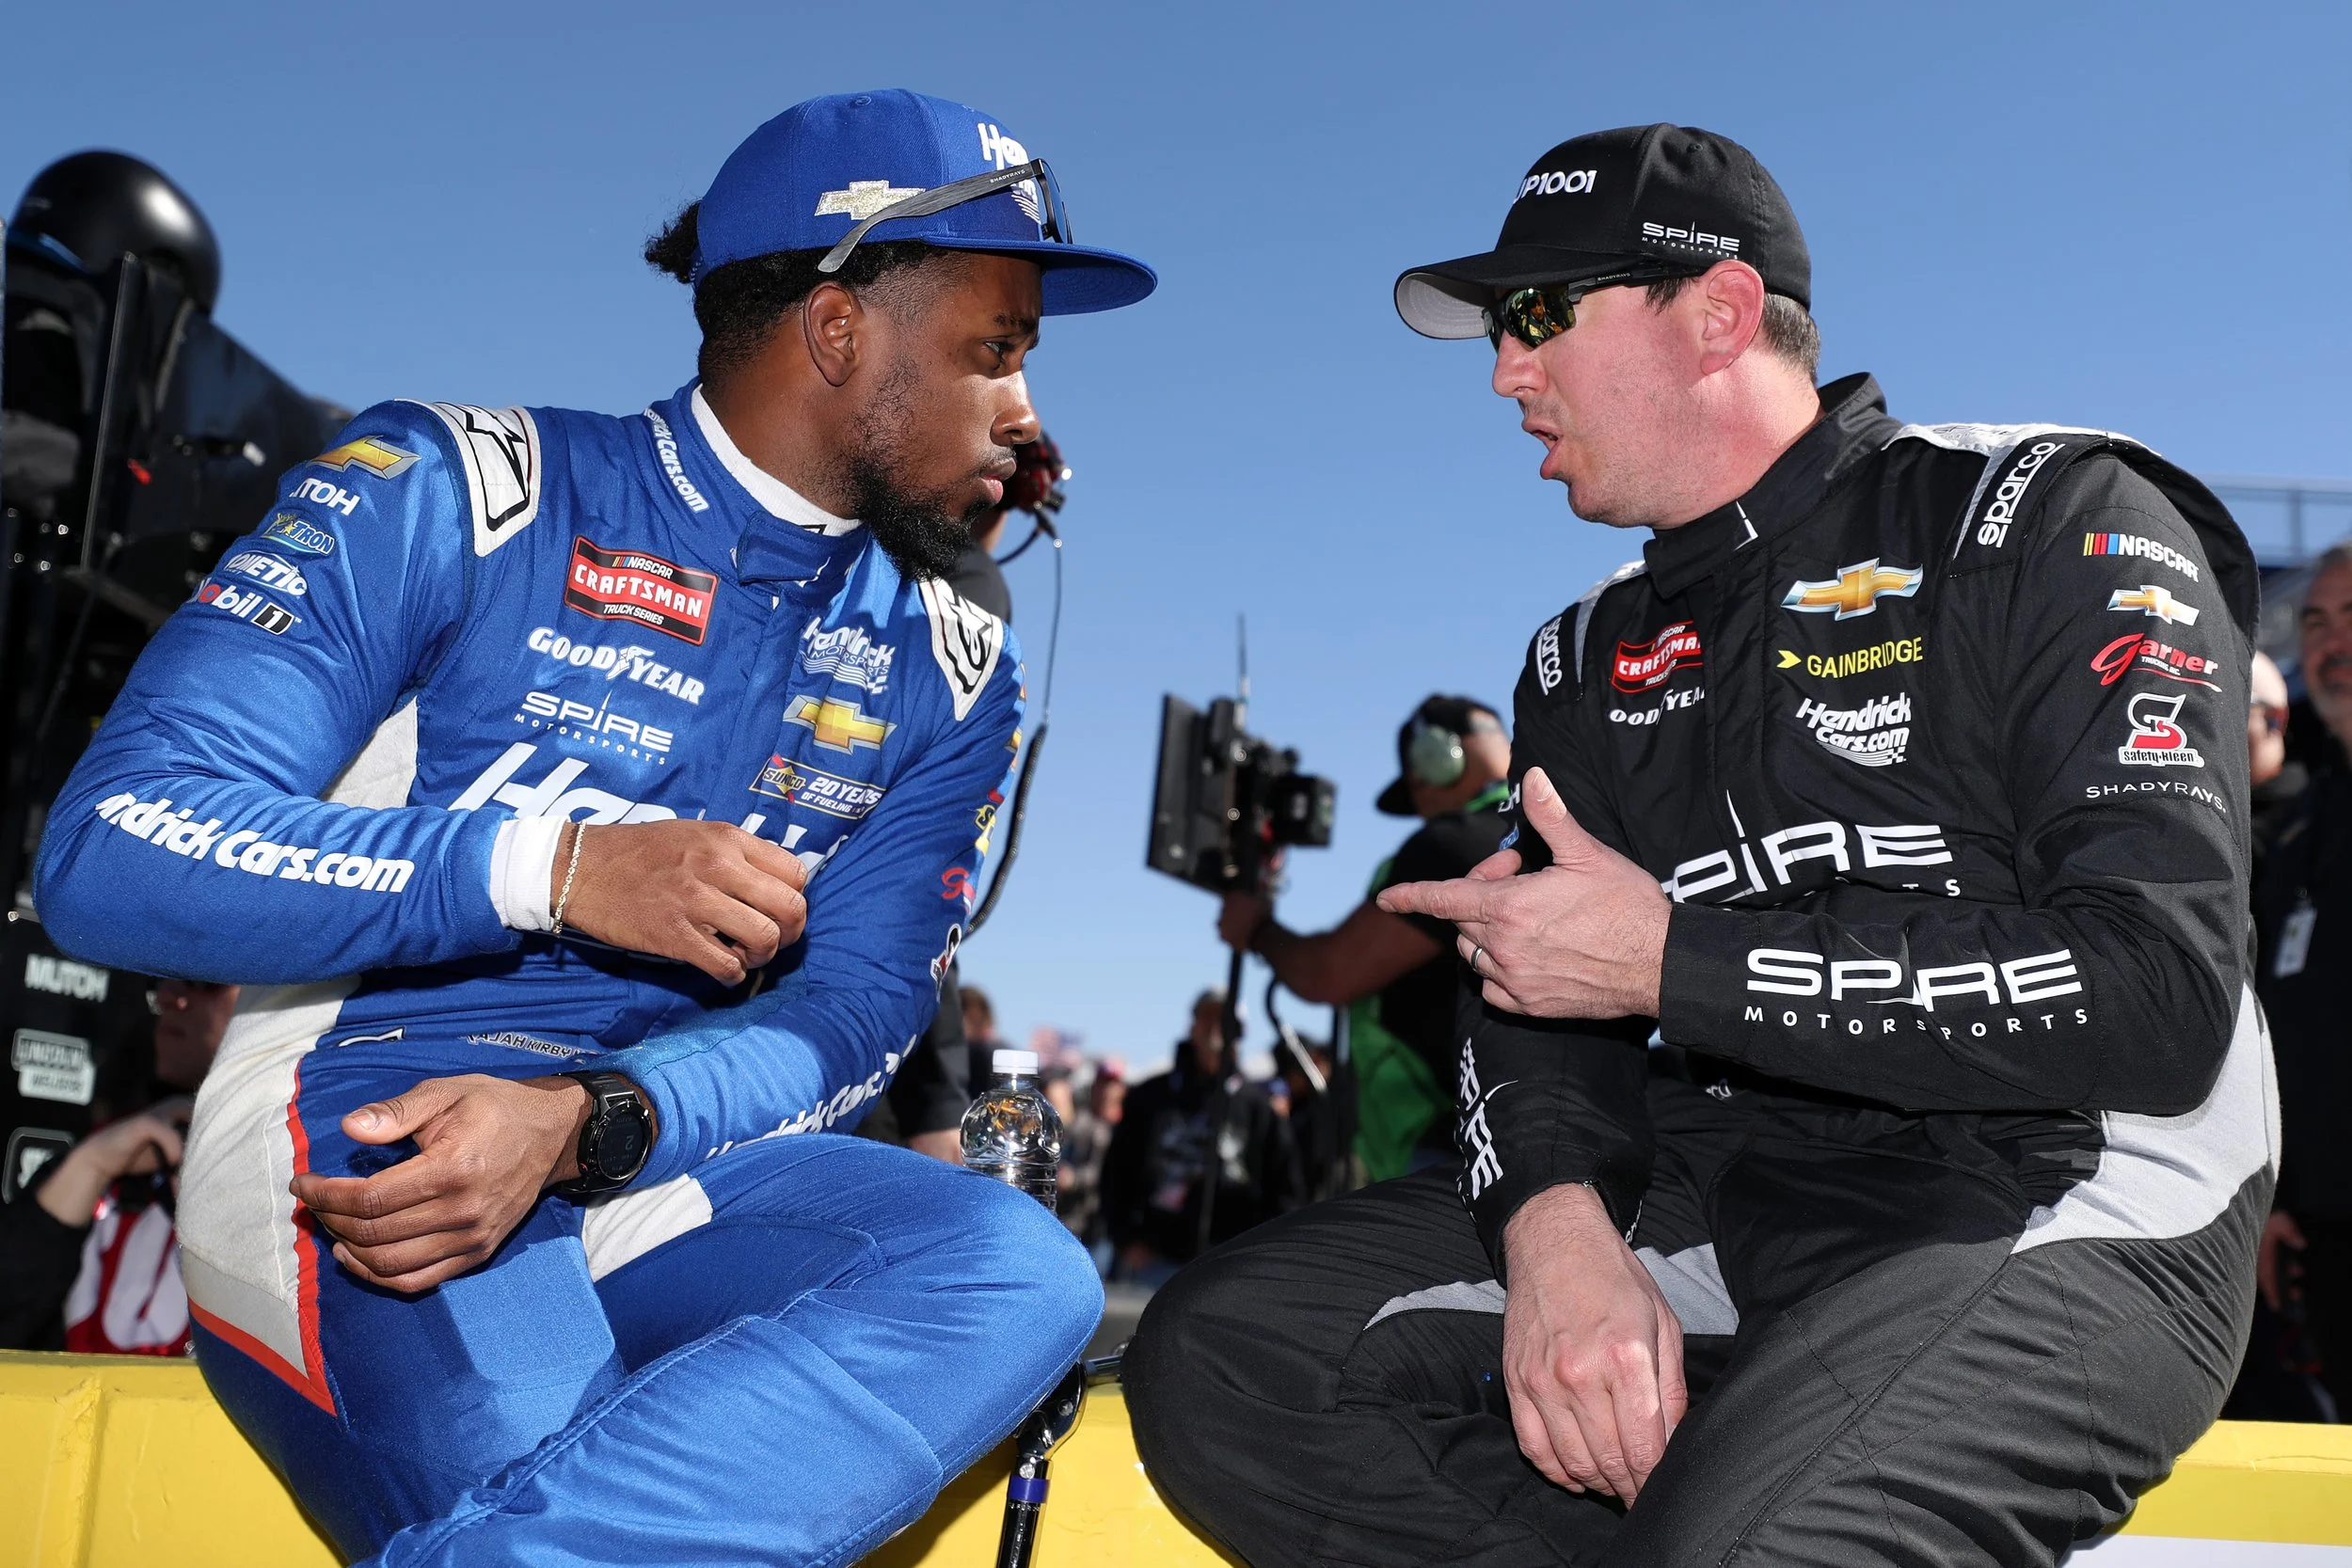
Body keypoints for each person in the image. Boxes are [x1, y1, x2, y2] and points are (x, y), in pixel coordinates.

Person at [32, 88, 1155, 1566]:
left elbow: (854, 1011)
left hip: (650, 1145)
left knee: (1013, 1267)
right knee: (543, 1454)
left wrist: (589, 1118)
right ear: (838, 331)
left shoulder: (953, 665)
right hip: (368, 1131)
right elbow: (111, 844)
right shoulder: (461, 486)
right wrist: (548, 868)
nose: (1027, 412)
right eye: (996, 351)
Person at [1127, 122, 2268, 1567]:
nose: (1505, 372)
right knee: (1228, 1362)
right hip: (1742, 1174)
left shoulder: (2044, 514)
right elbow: (1540, 992)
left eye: (1539, 314)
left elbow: (2158, 995)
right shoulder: (1585, 653)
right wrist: (1554, 1229)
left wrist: (1676, 961)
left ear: (1720, 311)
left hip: (2072, 1176)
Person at [1221, 695, 1512, 1180]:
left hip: (1455, 1150)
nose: (1420, 806)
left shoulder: (1450, 845)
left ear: (1435, 758)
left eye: (1416, 784)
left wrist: (1256, 930)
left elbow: (1329, 974)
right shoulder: (1536, 834)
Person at [2249, 544, 2352, 1418]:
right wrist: (2278, 1199)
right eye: (2315, 622)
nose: (2330, 643)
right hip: (2319, 1238)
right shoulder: (2299, 830)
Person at [0, 977, 240, 1351]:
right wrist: (90, 1166)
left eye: (204, 981)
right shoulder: (120, 1146)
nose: (167, 996)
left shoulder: (311, 1174)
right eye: (162, 978)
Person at [1102, 990, 1298, 1285]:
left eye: (1226, 1020)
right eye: (1208, 1018)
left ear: (1240, 1033)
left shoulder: (1259, 1109)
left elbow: (1285, 1191)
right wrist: (1126, 1240)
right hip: (1156, 1261)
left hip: (1232, 1267)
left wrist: (1264, 1256)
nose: (1216, 1028)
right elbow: (1115, 1174)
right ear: (1192, 1026)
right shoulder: (1150, 1097)